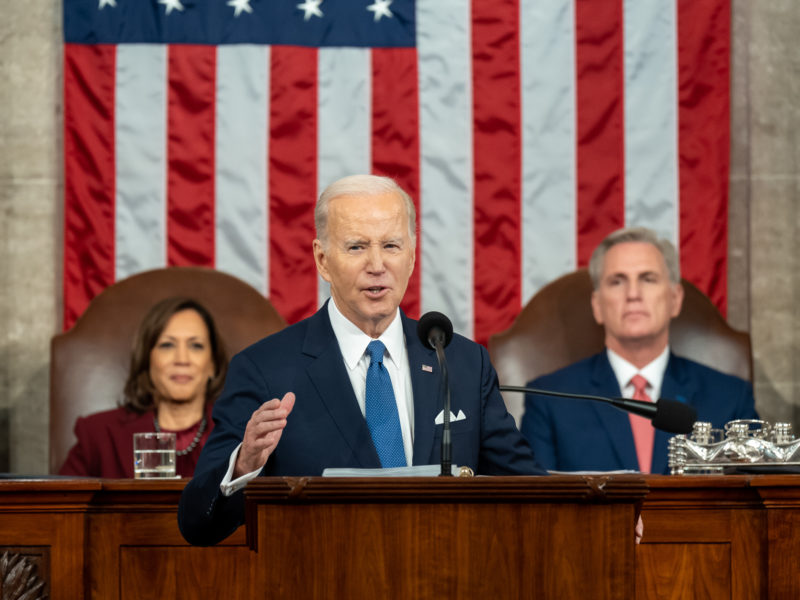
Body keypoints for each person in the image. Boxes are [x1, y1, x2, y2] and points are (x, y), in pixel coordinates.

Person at [178, 174, 546, 547]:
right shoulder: (265, 370)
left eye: (391, 245)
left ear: (413, 255)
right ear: (323, 260)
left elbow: (533, 494)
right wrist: (244, 465)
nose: (377, 265)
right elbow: (198, 524)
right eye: (356, 247)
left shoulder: (462, 362)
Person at [520, 227, 759, 474]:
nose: (633, 294)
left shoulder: (730, 398)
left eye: (648, 279)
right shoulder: (549, 398)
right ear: (597, 306)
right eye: (617, 281)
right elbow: (538, 506)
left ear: (675, 299)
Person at [59, 297, 228, 478]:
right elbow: (61, 503)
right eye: (167, 345)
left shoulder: (238, 436)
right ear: (147, 360)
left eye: (196, 346)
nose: (182, 359)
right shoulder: (98, 435)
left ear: (213, 364)